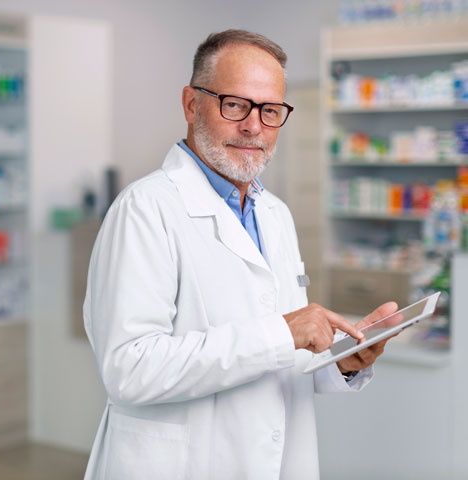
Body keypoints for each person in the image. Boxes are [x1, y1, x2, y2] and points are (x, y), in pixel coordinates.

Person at [82, 30, 398, 480]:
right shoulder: (145, 209)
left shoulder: (274, 214)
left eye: (270, 111)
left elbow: (281, 358)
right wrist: (281, 332)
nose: (254, 126)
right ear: (192, 105)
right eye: (235, 104)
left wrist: (341, 362)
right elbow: (129, 370)